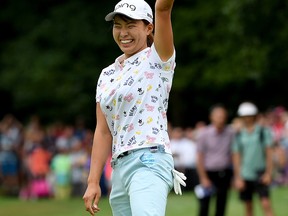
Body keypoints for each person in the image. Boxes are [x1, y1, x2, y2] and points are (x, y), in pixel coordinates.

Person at [83, 0, 186, 215]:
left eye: (131, 25)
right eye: (118, 25)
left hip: (149, 159)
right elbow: (103, 131)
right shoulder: (107, 74)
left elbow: (163, 9)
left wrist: (162, 7)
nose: (123, 32)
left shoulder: (157, 58)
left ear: (149, 28)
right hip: (119, 169)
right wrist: (93, 181)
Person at [232, 102, 275, 216]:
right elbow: (236, 157)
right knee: (248, 206)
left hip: (260, 172)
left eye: (249, 115)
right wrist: (238, 177)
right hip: (245, 174)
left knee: (266, 204)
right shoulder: (239, 134)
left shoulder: (262, 131)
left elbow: (269, 153)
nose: (247, 118)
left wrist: (269, 173)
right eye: (244, 116)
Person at [196, 104, 234, 216]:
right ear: (211, 117)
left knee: (221, 204)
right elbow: (199, 157)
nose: (221, 119)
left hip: (224, 173)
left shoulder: (230, 133)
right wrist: (203, 177)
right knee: (204, 206)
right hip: (208, 172)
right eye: (218, 116)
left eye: (223, 116)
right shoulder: (204, 134)